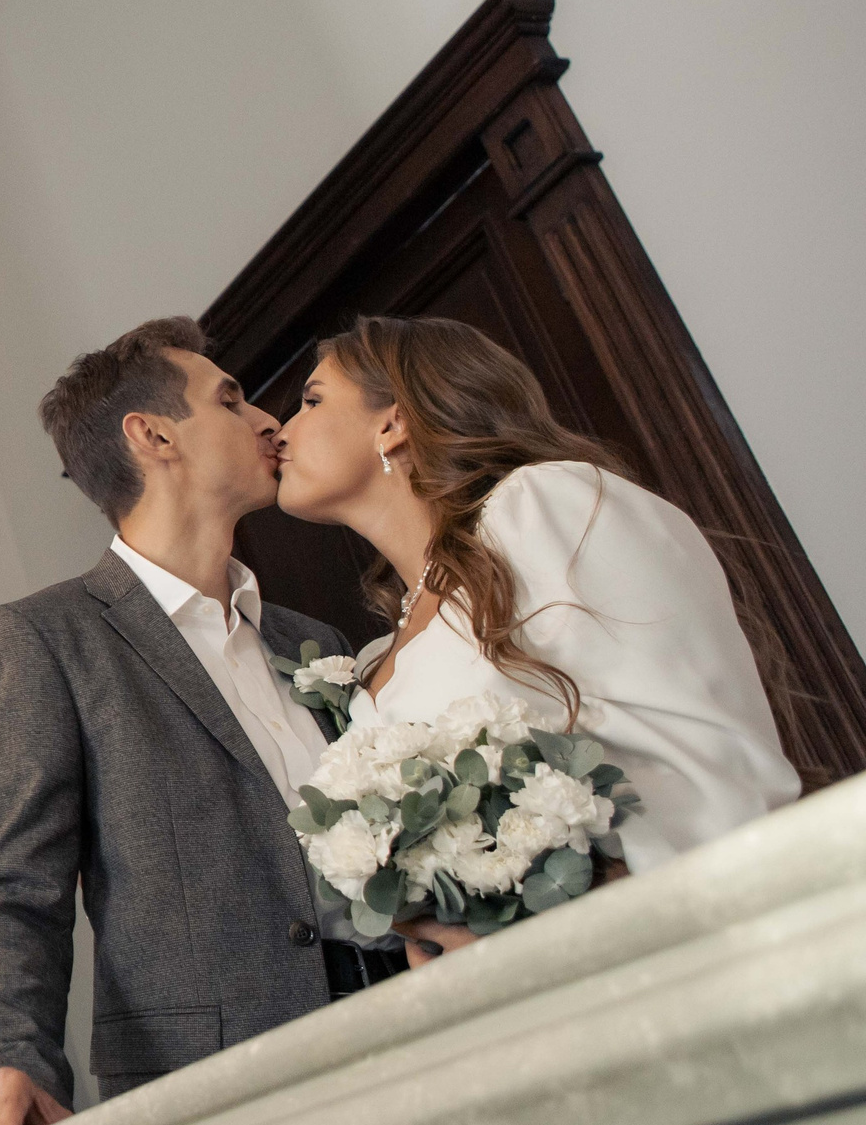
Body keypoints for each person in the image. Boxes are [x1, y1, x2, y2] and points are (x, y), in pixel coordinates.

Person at [0, 318, 372, 1125]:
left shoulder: (316, 641)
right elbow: (14, 889)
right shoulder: (43, 639)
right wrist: (7, 1062)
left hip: (399, 1038)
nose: (270, 420)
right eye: (230, 398)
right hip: (208, 1093)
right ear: (153, 435)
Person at [273, 314, 802, 967]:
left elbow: (708, 749)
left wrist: (560, 916)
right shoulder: (378, 659)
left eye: (313, 399)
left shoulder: (543, 506)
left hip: (669, 952)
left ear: (393, 421)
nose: (281, 427)